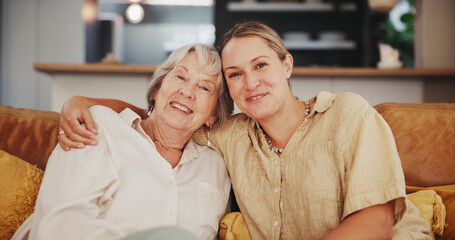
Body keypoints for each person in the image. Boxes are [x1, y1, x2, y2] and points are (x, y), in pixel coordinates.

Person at [57, 22, 431, 239]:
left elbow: (378, 220)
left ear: (287, 66)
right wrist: (79, 102)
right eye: (235, 74)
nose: (250, 82)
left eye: (261, 65)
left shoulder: (348, 113)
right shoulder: (228, 135)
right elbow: (168, 117)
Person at [11, 43, 233, 240]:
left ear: (214, 114)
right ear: (156, 90)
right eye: (180, 77)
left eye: (204, 88)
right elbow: (56, 227)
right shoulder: (102, 126)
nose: (187, 91)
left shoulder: (217, 167)